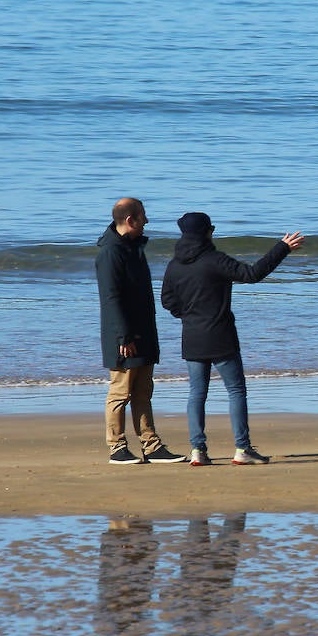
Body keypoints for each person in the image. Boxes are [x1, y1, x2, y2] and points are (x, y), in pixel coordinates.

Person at [161, 212, 304, 465]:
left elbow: (168, 302)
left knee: (197, 393)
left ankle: (198, 451)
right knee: (236, 390)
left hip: (192, 337)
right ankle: (242, 449)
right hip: (220, 335)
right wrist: (281, 248)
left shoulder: (174, 265)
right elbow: (252, 274)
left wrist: (189, 316)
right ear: (207, 232)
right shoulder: (214, 260)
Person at [95, 197, 186, 465]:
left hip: (144, 331)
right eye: (143, 216)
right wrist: (123, 336)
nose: (147, 221)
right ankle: (116, 447)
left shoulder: (133, 248)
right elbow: (111, 298)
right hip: (122, 336)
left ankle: (151, 445)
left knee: (144, 391)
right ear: (130, 220)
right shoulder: (110, 253)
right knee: (120, 392)